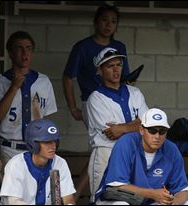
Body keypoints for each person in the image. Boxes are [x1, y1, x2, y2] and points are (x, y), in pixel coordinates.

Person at [62, 4, 130, 201]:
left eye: (113, 21)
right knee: (101, 146)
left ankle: (75, 193)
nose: (109, 25)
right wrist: (73, 106)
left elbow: (125, 77)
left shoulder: (120, 47)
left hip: (117, 101)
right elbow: (68, 77)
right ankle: (76, 194)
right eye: (104, 20)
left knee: (103, 149)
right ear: (95, 22)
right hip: (92, 102)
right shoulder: (83, 47)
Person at [94, 108, 188, 205]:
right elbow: (117, 186)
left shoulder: (171, 149)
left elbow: (182, 191)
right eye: (152, 131)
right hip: (116, 200)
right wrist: (153, 194)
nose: (157, 136)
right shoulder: (126, 143)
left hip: (151, 202)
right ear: (141, 130)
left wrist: (173, 203)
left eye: (162, 131)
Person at [86, 47, 149, 202]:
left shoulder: (135, 92)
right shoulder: (96, 98)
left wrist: (122, 128)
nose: (116, 70)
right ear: (100, 70)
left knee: (132, 200)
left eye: (118, 65)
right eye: (110, 66)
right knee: (103, 200)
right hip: (107, 153)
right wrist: (136, 125)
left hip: (134, 152)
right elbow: (112, 133)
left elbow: (147, 125)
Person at [0, 31, 57, 166]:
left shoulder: (43, 81)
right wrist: (14, 87)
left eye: (28, 48)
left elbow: (46, 120)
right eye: (19, 48)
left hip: (37, 148)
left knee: (38, 187)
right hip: (9, 148)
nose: (24, 53)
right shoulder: (1, 81)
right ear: (11, 53)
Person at [0, 119, 76, 205]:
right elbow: (14, 202)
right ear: (33, 143)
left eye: (55, 141)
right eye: (47, 142)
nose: (53, 146)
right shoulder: (16, 165)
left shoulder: (60, 163)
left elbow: (68, 199)